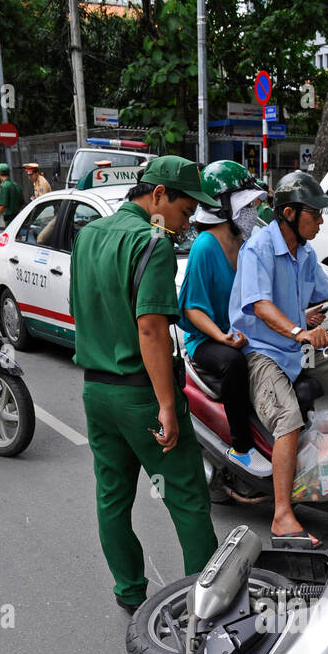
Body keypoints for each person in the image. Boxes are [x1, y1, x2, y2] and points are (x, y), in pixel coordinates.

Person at [69, 155, 217, 613]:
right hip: (141, 393)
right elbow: (151, 329)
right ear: (158, 196)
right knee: (188, 498)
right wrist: (167, 406)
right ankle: (211, 604)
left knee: (113, 497)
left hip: (96, 391)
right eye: (186, 210)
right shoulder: (151, 240)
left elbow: (79, 308)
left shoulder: (89, 234)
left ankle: (130, 591)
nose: (186, 222)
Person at [228, 170, 328, 545]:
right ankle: (282, 514)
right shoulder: (258, 248)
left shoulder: (304, 252)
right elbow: (260, 306)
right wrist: (298, 331)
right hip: (264, 351)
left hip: (298, 348)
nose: (321, 220)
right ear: (290, 214)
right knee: (287, 418)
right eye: (315, 213)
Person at [179, 159, 270, 478]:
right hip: (206, 341)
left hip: (240, 333)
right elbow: (191, 309)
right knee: (234, 363)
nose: (252, 211)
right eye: (247, 205)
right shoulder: (205, 247)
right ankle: (242, 448)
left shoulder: (245, 243)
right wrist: (221, 337)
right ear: (224, 208)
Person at [0, 163, 24, 229]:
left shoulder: (4, 186)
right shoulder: (16, 185)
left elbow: (2, 205)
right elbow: (22, 205)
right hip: (17, 218)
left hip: (9, 219)